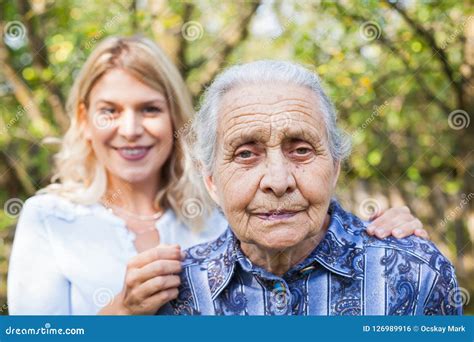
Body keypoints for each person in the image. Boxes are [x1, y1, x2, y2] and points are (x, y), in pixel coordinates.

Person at [8, 36, 428, 315]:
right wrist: (119, 313)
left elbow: (304, 216)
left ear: (175, 118)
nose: (131, 128)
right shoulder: (50, 218)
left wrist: (385, 233)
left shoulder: (221, 206)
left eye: (150, 109)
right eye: (110, 111)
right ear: (84, 119)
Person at [158, 60, 462, 315]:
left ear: (334, 168)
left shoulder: (416, 271)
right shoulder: (176, 292)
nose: (278, 182)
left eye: (301, 150)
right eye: (246, 154)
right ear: (211, 181)